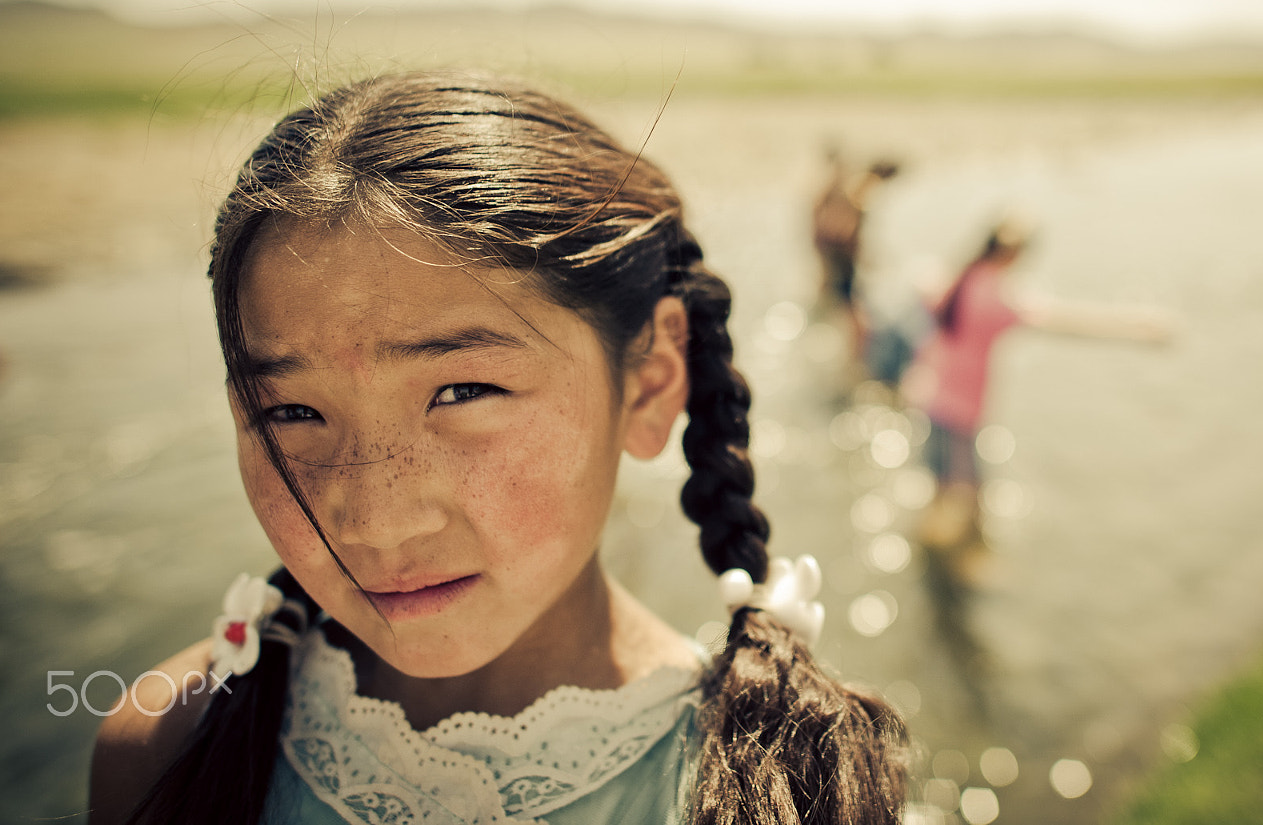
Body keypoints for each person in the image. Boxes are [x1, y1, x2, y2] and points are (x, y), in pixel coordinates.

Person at [89, 72, 906, 825]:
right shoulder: (167, 746)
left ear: (652, 381)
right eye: (293, 410)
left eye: (463, 392)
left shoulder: (770, 790)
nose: (376, 520)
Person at [901, 219, 1174, 564]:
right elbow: (1064, 322)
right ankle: (972, 556)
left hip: (930, 397)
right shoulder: (996, 300)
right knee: (973, 493)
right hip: (961, 410)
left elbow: (921, 286)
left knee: (940, 482)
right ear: (1014, 255)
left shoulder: (957, 278)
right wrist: (1137, 329)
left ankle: (930, 544)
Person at [811, 152, 899, 357]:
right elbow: (846, 227)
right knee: (855, 318)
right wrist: (859, 251)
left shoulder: (855, 183)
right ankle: (854, 361)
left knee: (837, 307)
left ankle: (836, 354)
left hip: (834, 258)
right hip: (842, 261)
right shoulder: (867, 186)